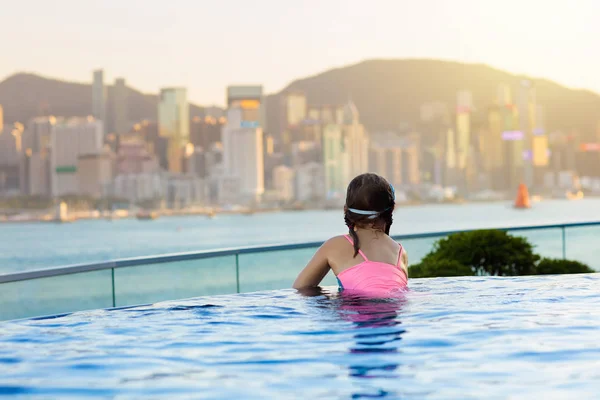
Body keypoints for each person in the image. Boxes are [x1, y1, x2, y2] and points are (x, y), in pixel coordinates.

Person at [293, 173, 408, 296]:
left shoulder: (334, 245)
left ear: (345, 210)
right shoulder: (400, 251)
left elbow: (300, 289)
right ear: (392, 209)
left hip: (357, 311)